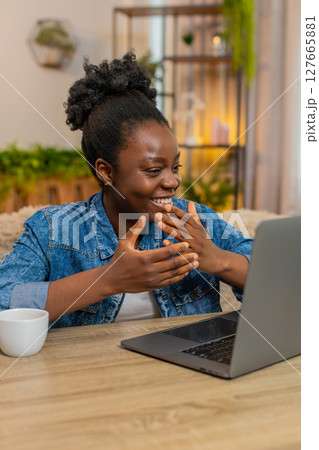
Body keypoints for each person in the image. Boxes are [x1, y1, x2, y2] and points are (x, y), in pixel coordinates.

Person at [0, 52, 253, 328]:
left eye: (175, 167)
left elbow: (286, 281)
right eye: (154, 170)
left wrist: (219, 260)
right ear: (106, 172)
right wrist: (108, 279)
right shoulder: (52, 230)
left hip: (188, 371)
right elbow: (4, 299)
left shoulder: (196, 222)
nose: (172, 182)